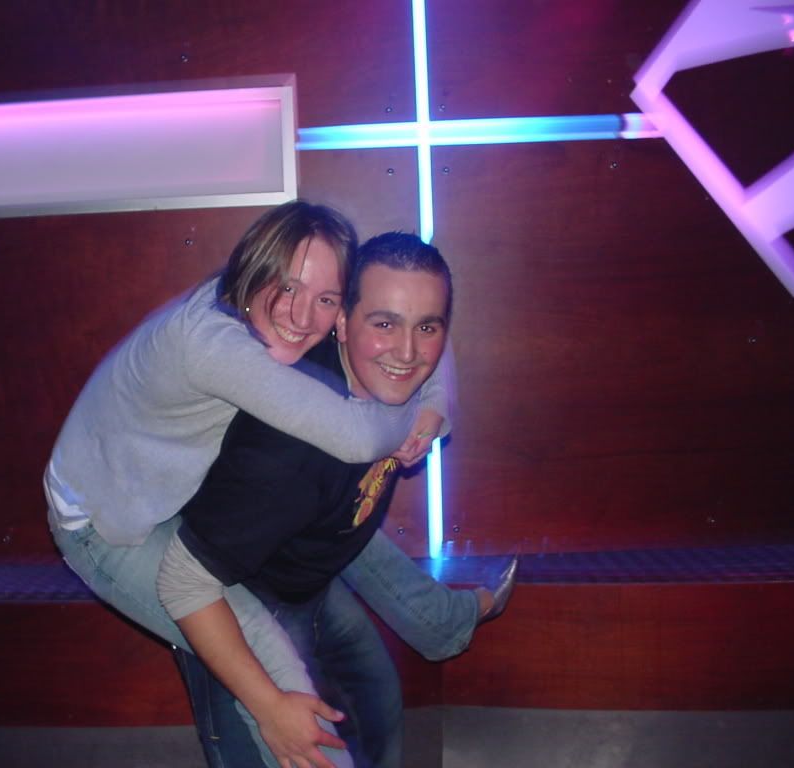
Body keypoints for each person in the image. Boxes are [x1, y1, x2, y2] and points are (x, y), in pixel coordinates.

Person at [45, 203, 484, 765]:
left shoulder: (271, 317)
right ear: (253, 269)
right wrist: (420, 411)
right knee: (262, 653)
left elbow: (412, 318)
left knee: (341, 516)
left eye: (325, 298)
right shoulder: (216, 347)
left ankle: (442, 622)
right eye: (287, 287)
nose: (301, 316)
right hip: (107, 518)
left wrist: (432, 397)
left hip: (174, 480)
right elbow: (356, 435)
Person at [159, 233, 518, 768]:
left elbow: (426, 356)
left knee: (378, 711)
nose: (407, 352)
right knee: (290, 753)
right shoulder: (287, 453)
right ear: (342, 325)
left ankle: (443, 623)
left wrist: (433, 411)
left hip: (315, 578)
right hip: (241, 603)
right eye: (384, 325)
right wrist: (267, 704)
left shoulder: (386, 371)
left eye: (426, 327)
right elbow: (183, 580)